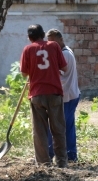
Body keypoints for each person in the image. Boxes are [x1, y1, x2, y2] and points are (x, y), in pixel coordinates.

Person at [20, 24, 68, 168]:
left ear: (29, 38)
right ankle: (61, 162)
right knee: (58, 129)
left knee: (39, 131)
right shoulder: (53, 46)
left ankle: (43, 163)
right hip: (54, 93)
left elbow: (24, 73)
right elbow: (64, 68)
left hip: (37, 94)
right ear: (43, 34)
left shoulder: (28, 49)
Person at [46, 28, 80, 161]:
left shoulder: (64, 55)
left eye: (53, 42)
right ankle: (71, 155)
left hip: (66, 96)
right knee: (68, 126)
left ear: (61, 40)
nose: (51, 45)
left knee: (57, 127)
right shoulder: (66, 51)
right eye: (49, 42)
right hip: (71, 94)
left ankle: (52, 153)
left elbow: (56, 74)